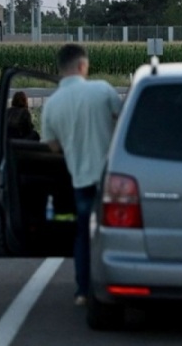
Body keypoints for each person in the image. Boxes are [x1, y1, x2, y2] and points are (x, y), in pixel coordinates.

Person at [41, 44, 122, 306]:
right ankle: (117, 282)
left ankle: (82, 291)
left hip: (80, 180)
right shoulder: (103, 90)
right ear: (82, 65)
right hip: (113, 180)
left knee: (83, 234)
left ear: (61, 68)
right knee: (114, 233)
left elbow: (53, 146)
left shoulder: (51, 105)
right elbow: (122, 122)